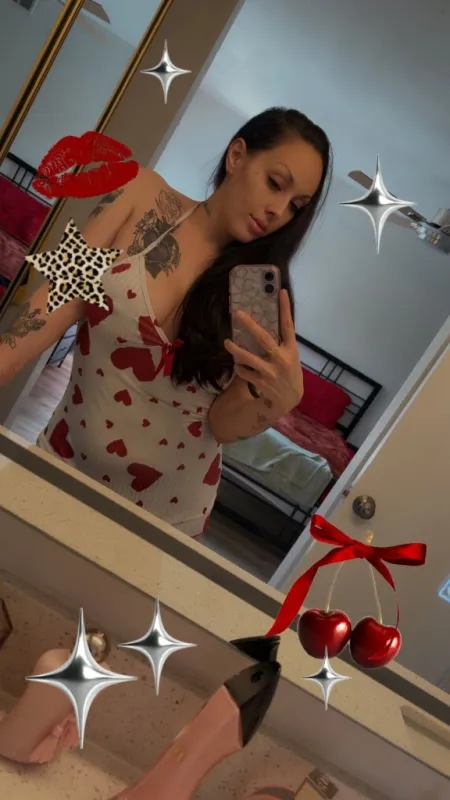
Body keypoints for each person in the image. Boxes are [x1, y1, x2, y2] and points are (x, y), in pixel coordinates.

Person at [0, 107, 332, 539]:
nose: (277, 211)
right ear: (237, 156)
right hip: (60, 465)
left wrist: (277, 401)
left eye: (295, 207)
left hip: (167, 519)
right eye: (275, 183)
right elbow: (49, 306)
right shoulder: (139, 194)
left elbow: (222, 425)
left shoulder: (257, 291)